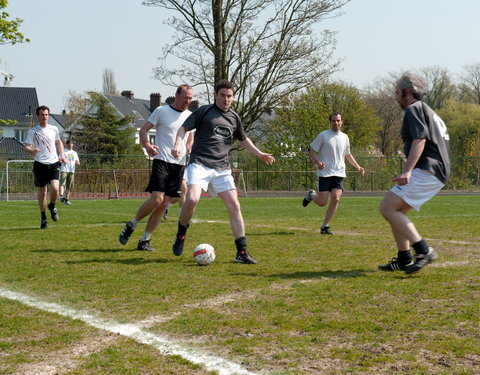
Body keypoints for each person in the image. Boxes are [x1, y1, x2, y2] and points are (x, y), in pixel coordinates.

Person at [170, 79, 275, 264]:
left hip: (222, 168)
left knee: (234, 205)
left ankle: (241, 252)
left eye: (229, 96)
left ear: (232, 98)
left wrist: (259, 154)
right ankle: (181, 233)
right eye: (222, 95)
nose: (226, 99)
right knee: (192, 199)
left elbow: (243, 139)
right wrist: (178, 144)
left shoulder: (234, 117)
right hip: (200, 164)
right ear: (216, 95)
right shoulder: (204, 111)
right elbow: (183, 128)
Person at [378, 72, 450, 274]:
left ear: (407, 92)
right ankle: (404, 258)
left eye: (396, 92)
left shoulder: (413, 109)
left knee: (387, 208)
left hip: (428, 168)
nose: (395, 96)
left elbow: (420, 140)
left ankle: (423, 250)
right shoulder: (427, 110)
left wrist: (408, 171)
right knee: (396, 211)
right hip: (435, 169)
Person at [119, 84, 194, 251]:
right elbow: (144, 130)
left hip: (179, 165)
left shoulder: (190, 116)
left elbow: (190, 136)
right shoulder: (161, 111)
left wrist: (189, 146)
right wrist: (147, 145)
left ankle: (145, 240)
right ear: (177, 95)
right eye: (185, 98)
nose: (187, 101)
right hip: (162, 160)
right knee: (157, 199)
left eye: (190, 98)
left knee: (165, 203)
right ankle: (132, 225)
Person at [302, 112, 365, 234]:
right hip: (325, 173)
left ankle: (325, 226)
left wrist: (358, 166)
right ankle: (311, 195)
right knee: (322, 202)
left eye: (338, 120)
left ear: (342, 122)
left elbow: (348, 154)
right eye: (333, 121)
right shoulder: (324, 135)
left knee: (336, 199)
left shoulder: (345, 137)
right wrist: (317, 162)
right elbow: (312, 150)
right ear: (330, 122)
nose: (336, 123)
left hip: (339, 173)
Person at [24, 105, 67, 229]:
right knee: (43, 192)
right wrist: (32, 150)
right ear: (38, 116)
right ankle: (43, 219)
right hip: (40, 164)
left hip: (53, 163)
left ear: (49, 115)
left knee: (55, 188)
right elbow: (25, 146)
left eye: (46, 114)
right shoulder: (33, 131)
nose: (45, 117)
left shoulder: (54, 129)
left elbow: (58, 142)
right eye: (42, 115)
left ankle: (52, 205)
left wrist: (62, 155)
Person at [162, 131, 194, 220]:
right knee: (184, 188)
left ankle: (165, 206)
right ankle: (182, 215)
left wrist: (189, 146)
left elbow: (190, 137)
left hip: (187, 162)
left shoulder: (191, 124)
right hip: (175, 161)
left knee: (181, 194)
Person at [59, 140, 80, 205]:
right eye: (69, 143)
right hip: (64, 169)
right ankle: (61, 196)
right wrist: (63, 160)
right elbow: (59, 159)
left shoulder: (75, 153)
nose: (70, 145)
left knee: (69, 186)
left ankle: (66, 200)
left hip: (71, 171)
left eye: (71, 143)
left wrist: (77, 162)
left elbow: (77, 162)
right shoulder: (63, 151)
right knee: (62, 184)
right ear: (66, 144)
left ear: (73, 144)